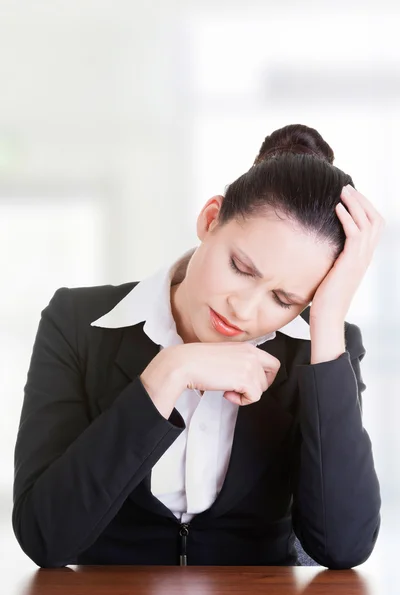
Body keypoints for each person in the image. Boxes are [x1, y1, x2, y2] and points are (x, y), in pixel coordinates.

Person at [12, 123, 384, 569]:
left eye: (284, 299)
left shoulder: (320, 348)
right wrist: (169, 372)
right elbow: (44, 537)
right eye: (241, 268)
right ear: (211, 220)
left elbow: (342, 547)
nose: (244, 309)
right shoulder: (77, 321)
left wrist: (326, 321)